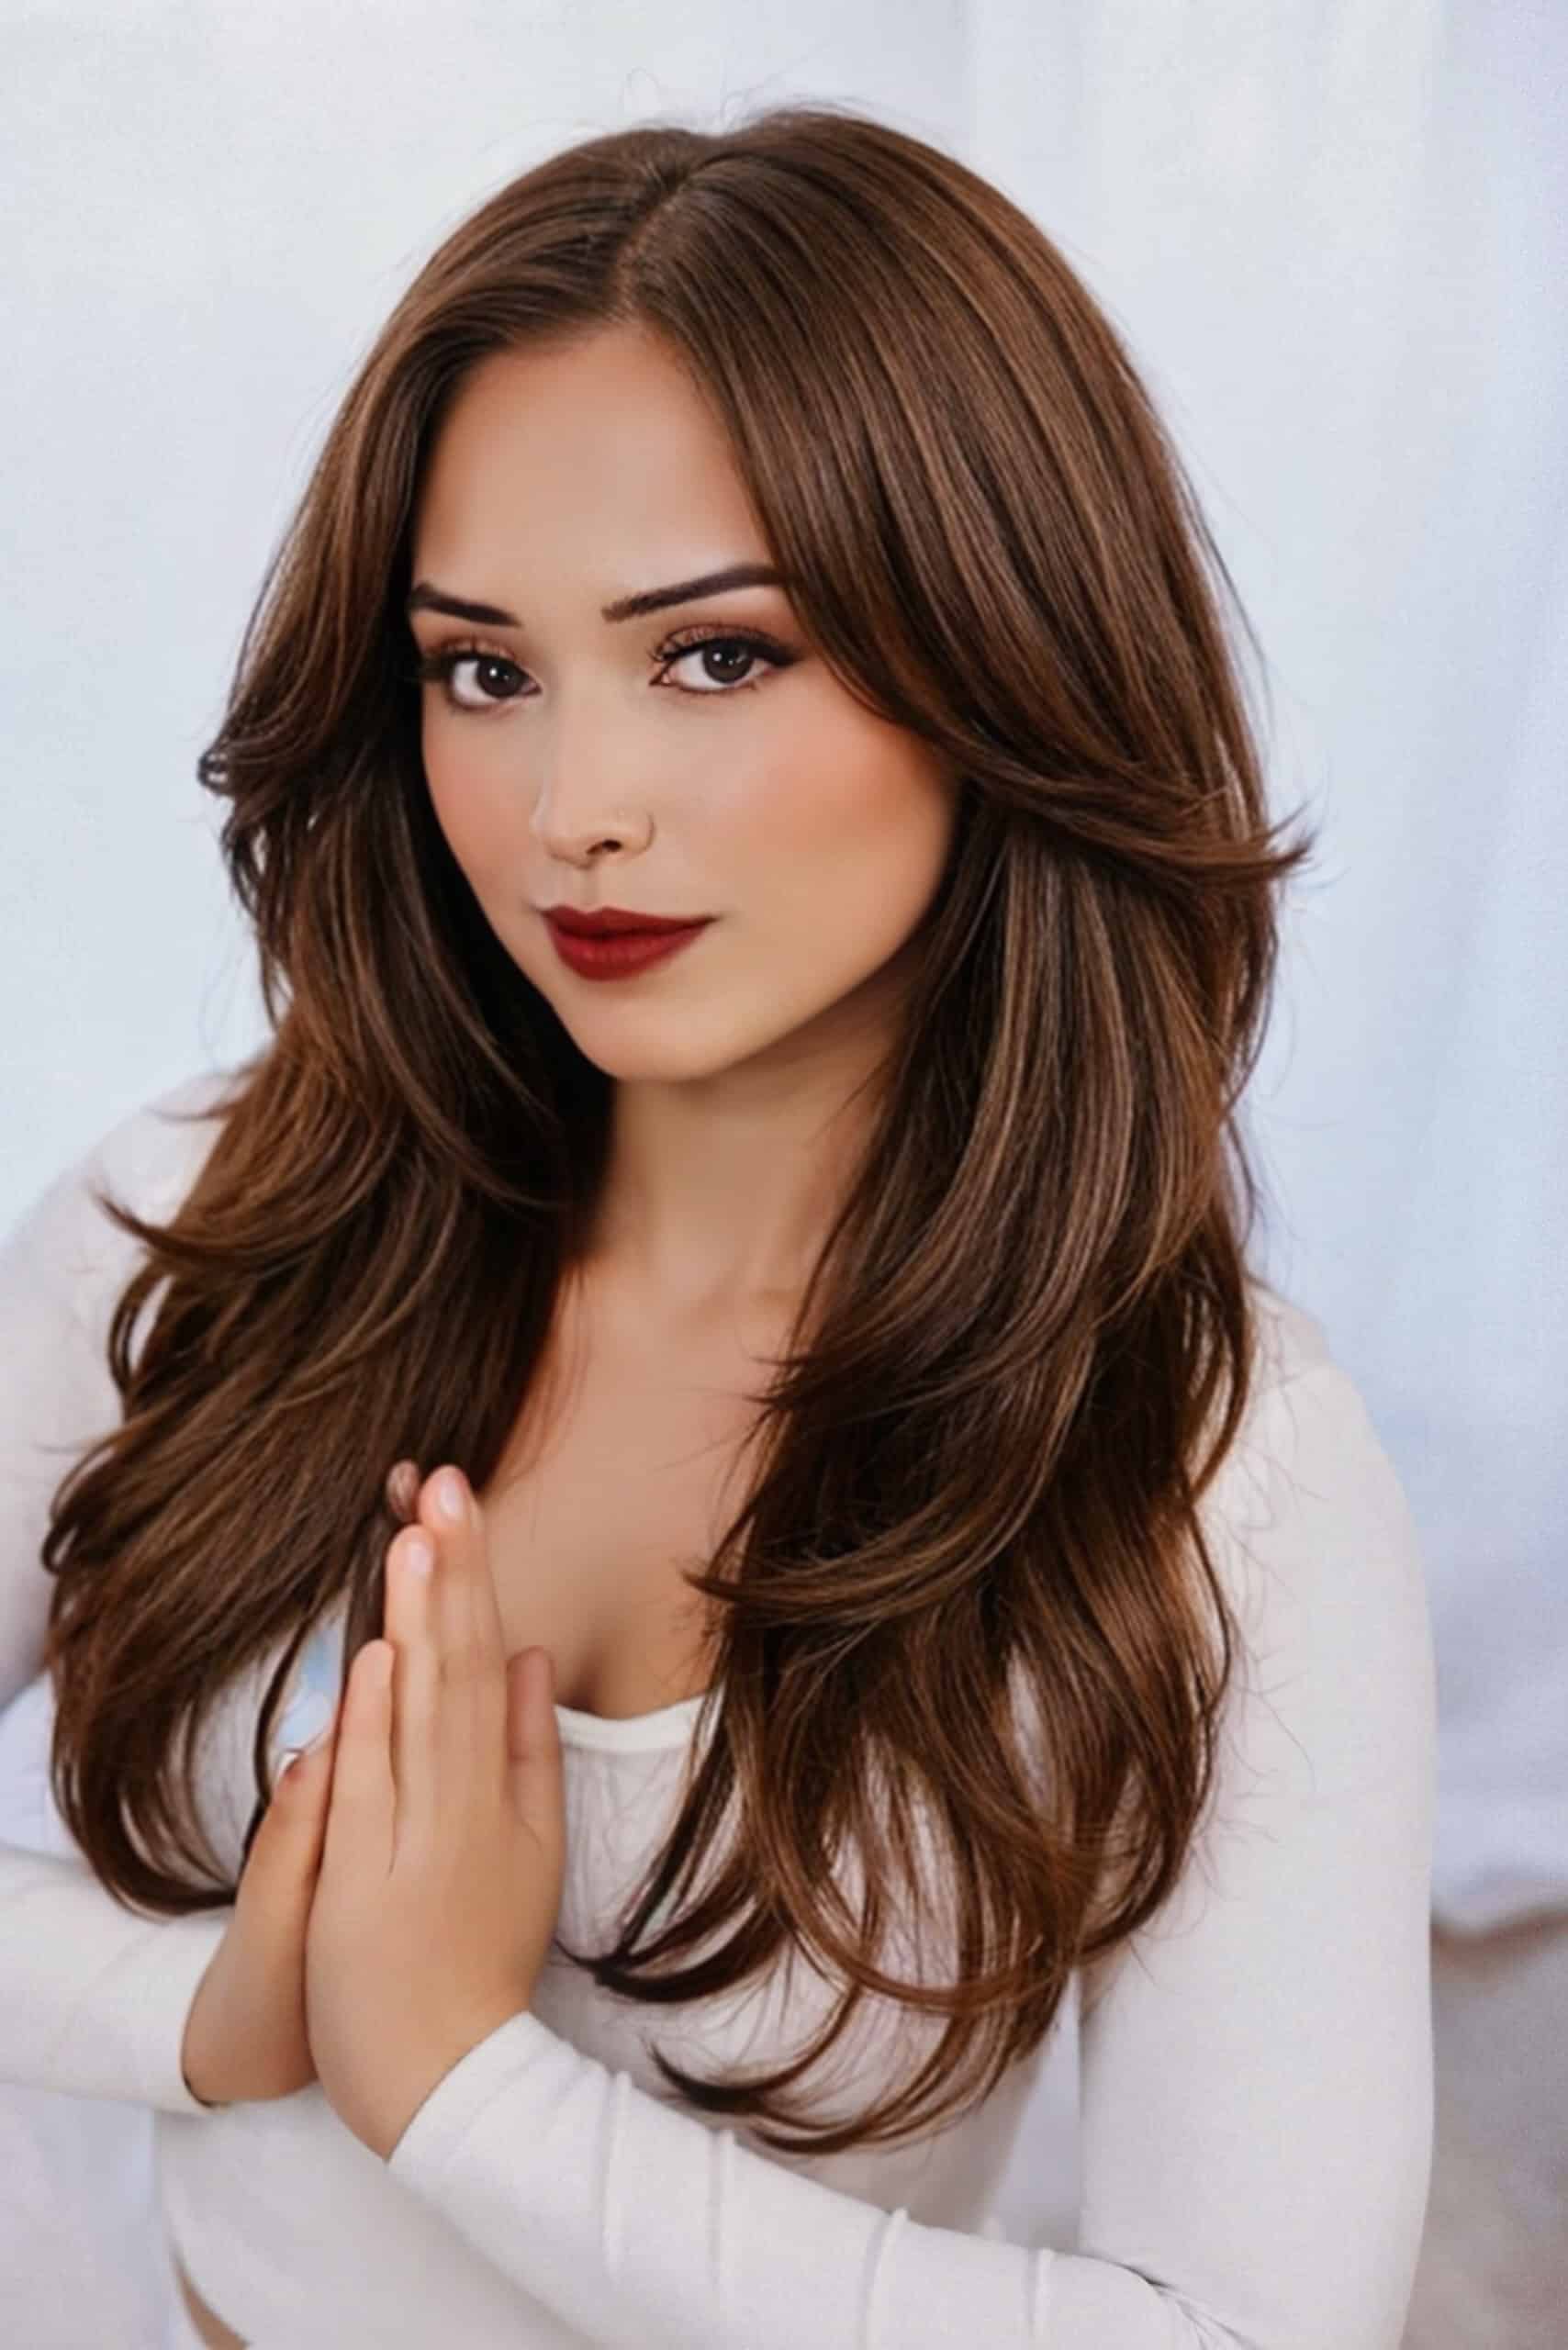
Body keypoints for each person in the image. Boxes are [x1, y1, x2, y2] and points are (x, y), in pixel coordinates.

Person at [0, 101, 1436, 2349]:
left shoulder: (1213, 1470)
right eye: (482, 669)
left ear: (1005, 656)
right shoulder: (207, 1213)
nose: (570, 810)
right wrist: (202, 2007)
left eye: (714, 655)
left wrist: (457, 2082)